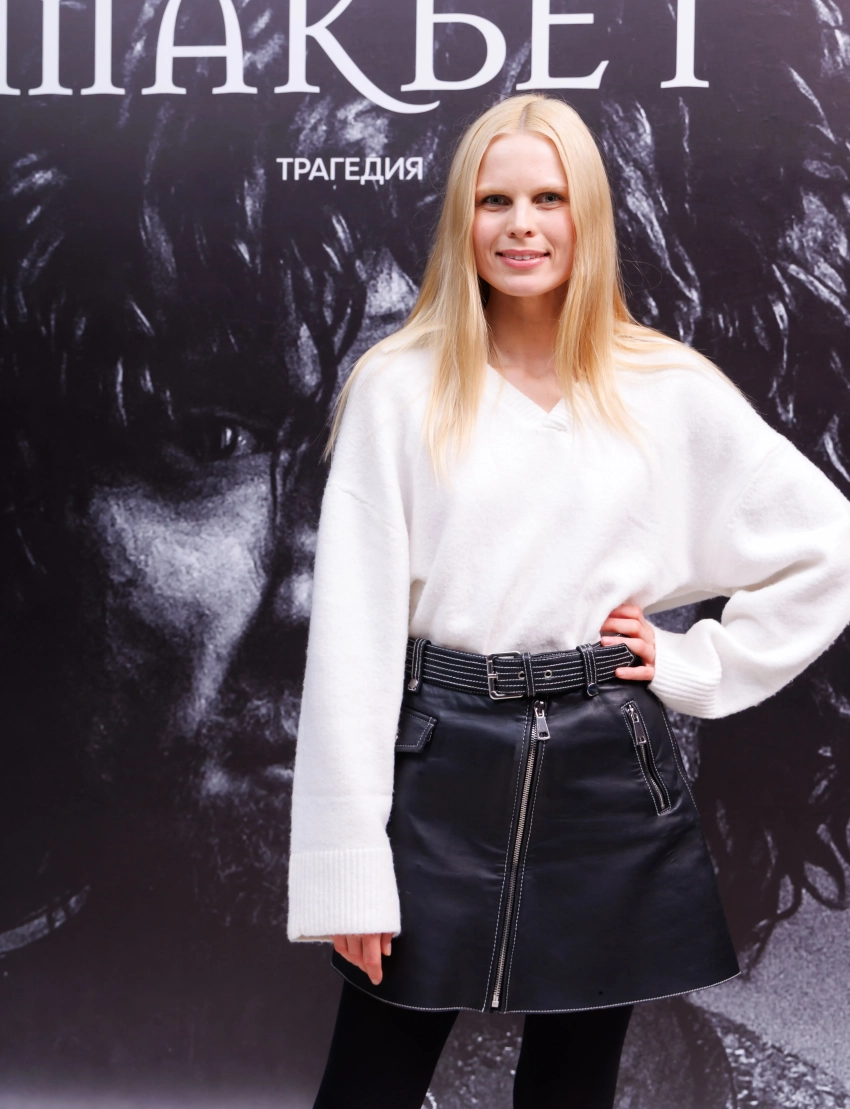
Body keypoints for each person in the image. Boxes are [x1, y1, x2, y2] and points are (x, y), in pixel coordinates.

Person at [287, 93, 850, 1109]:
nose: (521, 224)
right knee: (370, 1080)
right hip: (440, 761)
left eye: (548, 198)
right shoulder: (397, 385)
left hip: (607, 767)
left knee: (573, 1086)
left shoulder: (664, 387)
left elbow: (828, 545)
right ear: (462, 218)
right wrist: (347, 866)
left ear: (587, 213)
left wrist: (698, 664)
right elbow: (353, 643)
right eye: (493, 199)